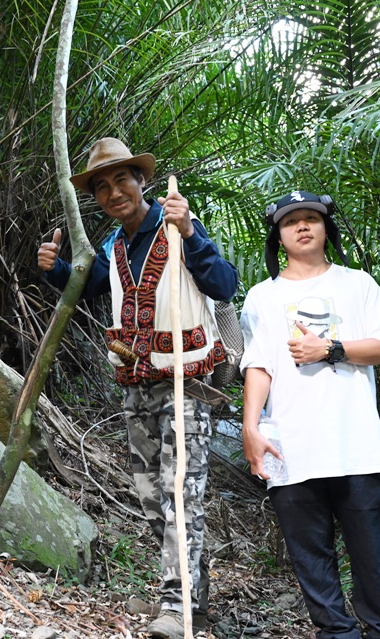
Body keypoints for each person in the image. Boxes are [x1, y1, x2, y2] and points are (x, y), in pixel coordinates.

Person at [37, 137, 238, 638]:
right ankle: (195, 602)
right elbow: (91, 287)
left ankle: (175, 607)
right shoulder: (114, 245)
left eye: (121, 180)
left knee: (180, 494)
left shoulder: (177, 225)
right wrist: (55, 269)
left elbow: (224, 284)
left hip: (186, 386)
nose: (113, 193)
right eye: (102, 187)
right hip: (137, 389)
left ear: (141, 181)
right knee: (152, 499)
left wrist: (189, 232)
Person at [239, 190, 380, 639]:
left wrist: (329, 348)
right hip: (291, 446)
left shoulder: (357, 284)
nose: (302, 226)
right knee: (310, 559)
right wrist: (250, 427)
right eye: (290, 221)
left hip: (355, 446)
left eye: (311, 218)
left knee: (371, 558)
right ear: (278, 236)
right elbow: (258, 366)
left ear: (326, 228)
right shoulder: (262, 296)